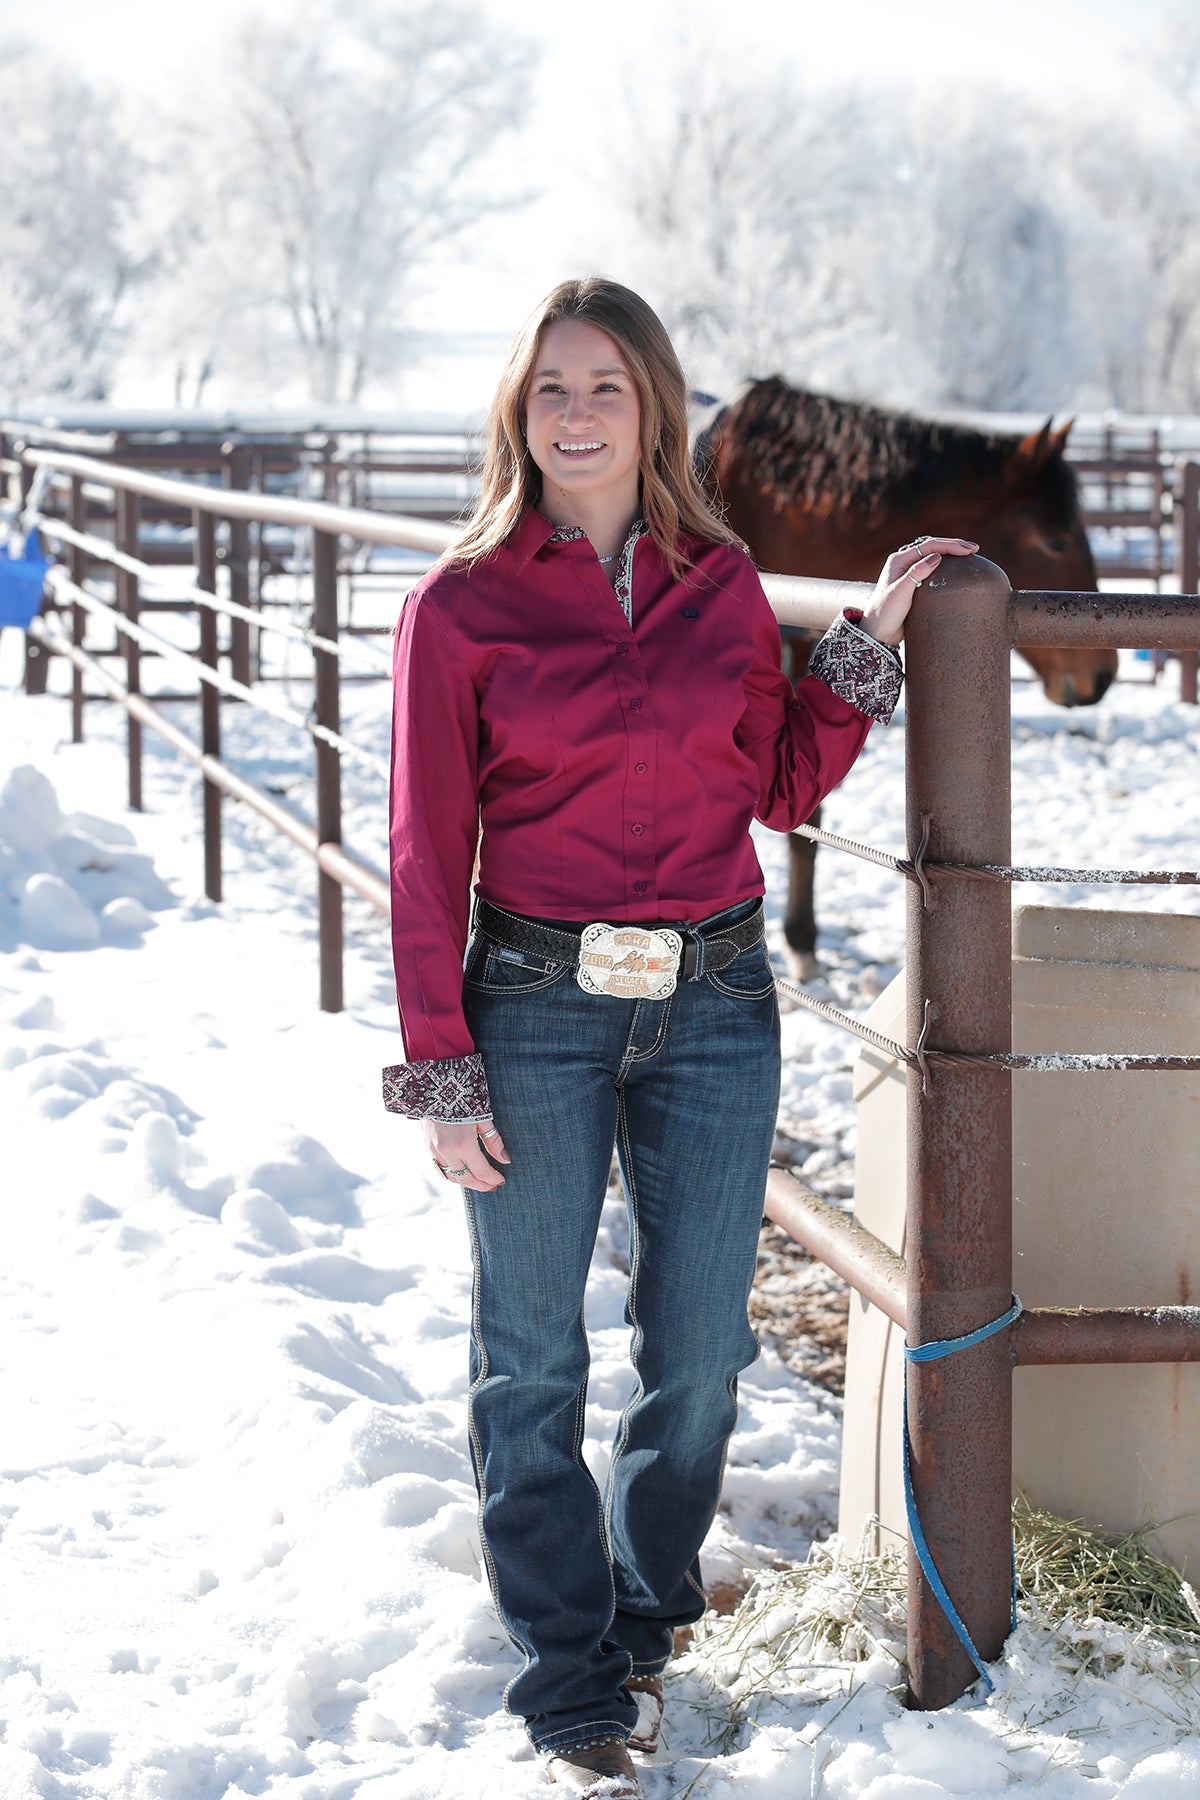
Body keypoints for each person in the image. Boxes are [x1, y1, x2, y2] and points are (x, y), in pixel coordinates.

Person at [383, 276, 977, 1797]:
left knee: (702, 1353)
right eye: (551, 389)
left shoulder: (720, 583)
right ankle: (568, 1675)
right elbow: (420, 847)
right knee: (528, 1360)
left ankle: (642, 1624)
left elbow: (780, 782)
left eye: (608, 388)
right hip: (532, 1003)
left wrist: (869, 645)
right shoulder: (458, 608)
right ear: (518, 411)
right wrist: (442, 1065)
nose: (576, 416)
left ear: (656, 408)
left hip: (714, 1006)